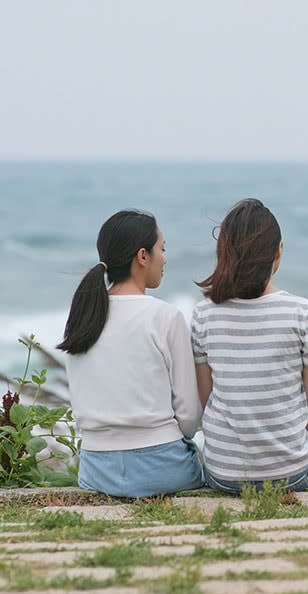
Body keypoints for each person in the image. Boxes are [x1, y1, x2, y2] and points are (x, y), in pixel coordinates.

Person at [58, 209, 203, 498]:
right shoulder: (165, 316)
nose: (165, 258)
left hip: (96, 470)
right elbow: (189, 416)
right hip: (163, 467)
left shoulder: (83, 317)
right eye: (162, 249)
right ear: (143, 256)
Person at [191, 198, 308, 493]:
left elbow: (206, 398)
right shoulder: (303, 312)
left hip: (222, 475)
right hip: (292, 474)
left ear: (224, 252)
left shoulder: (204, 313)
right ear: (278, 252)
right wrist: (282, 442)